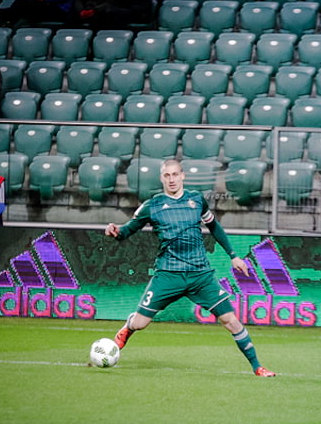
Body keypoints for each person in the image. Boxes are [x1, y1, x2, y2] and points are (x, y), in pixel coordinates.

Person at [104, 158, 276, 377]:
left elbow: (214, 226)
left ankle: (257, 367)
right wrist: (116, 231)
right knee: (140, 323)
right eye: (167, 175)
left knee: (231, 321)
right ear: (161, 178)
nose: (172, 179)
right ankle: (127, 329)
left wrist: (233, 256)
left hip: (200, 274)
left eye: (175, 174)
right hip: (168, 274)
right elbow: (127, 230)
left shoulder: (197, 200)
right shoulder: (152, 206)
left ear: (183, 175)